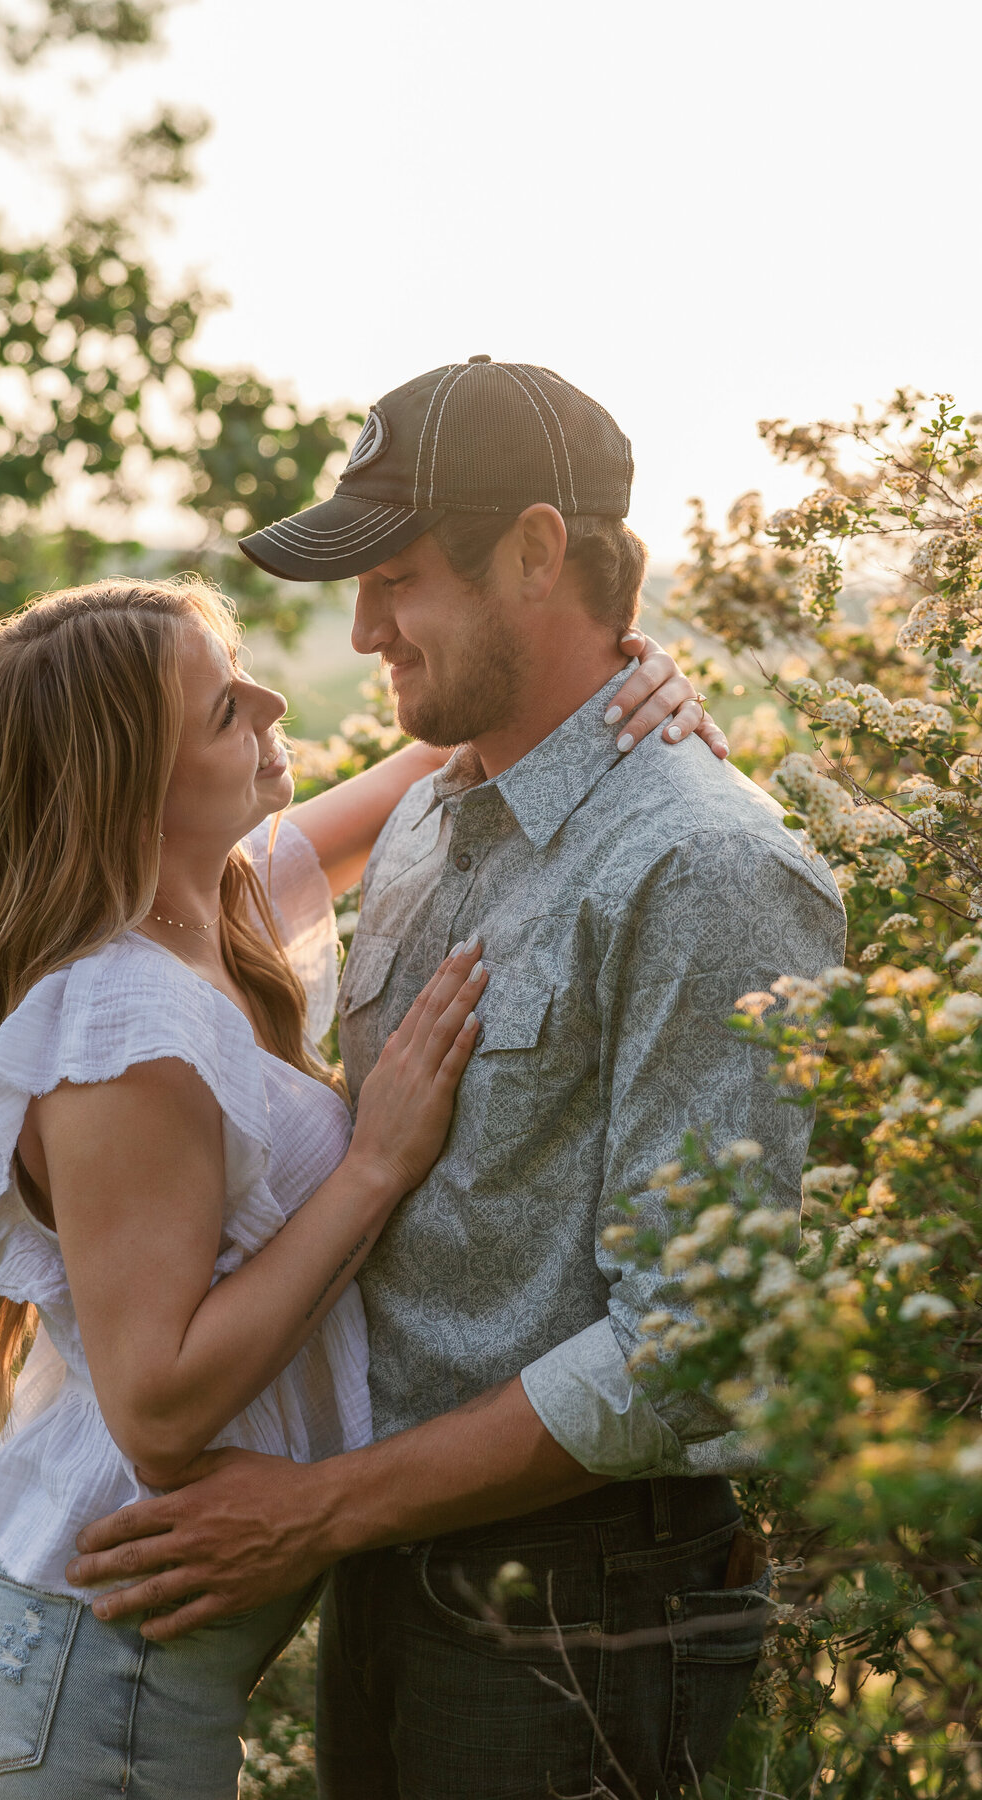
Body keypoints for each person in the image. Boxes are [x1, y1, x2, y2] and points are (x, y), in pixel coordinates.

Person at [65, 360, 848, 1800]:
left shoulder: (709, 870)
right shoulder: (430, 814)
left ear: (538, 552)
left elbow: (687, 1351)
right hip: (384, 1582)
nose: (362, 628)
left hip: (591, 1621)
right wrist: (329, 1531)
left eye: (400, 578)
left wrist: (312, 1513)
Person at [0, 570, 713, 1797]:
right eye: (225, 706)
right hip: (89, 1666)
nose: (275, 695)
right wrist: (379, 1162)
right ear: (131, 781)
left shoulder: (221, 911)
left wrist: (633, 682)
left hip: (125, 1659)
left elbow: (459, 758)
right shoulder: (127, 1027)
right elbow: (161, 1413)